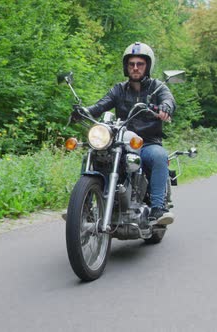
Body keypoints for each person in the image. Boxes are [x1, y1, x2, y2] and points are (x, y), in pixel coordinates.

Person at [72, 42, 175, 225]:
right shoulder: (119, 89)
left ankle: (158, 208)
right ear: (126, 67)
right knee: (93, 154)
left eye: (140, 64)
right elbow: (100, 105)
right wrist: (83, 112)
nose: (135, 68)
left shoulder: (157, 88)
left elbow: (169, 100)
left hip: (147, 143)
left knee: (159, 156)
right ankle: (83, 206)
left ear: (148, 66)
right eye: (131, 64)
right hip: (121, 142)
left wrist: (166, 106)